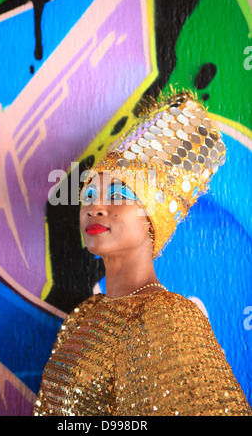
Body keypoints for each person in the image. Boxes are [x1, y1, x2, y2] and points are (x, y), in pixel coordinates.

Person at [33, 91, 252, 416]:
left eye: (119, 194)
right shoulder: (84, 315)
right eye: (89, 193)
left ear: (153, 219)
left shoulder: (167, 317)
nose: (95, 207)